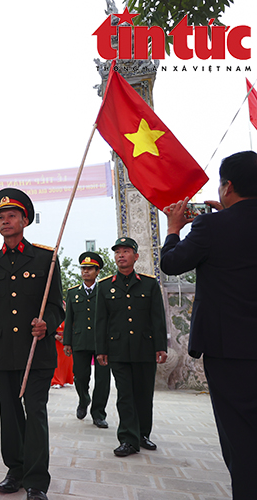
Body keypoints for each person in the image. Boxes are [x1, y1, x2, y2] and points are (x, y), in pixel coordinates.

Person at [160, 151, 257, 500]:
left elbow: (171, 263)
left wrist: (173, 228)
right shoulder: (216, 224)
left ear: (227, 186)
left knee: (241, 438)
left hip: (229, 347)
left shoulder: (210, 226)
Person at [0, 188, 64, 500]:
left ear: (25, 220)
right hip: (4, 351)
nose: (5, 221)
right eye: (0, 216)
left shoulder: (46, 258)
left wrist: (46, 323)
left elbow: (57, 305)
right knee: (9, 412)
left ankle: (36, 480)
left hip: (37, 352)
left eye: (11, 216)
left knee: (34, 411)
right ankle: (15, 468)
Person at [95, 237, 167, 458]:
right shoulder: (105, 286)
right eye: (117, 252)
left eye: (126, 251)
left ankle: (143, 434)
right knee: (125, 394)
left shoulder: (149, 283)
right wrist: (101, 350)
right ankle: (127, 438)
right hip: (118, 350)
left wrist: (160, 347)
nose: (121, 255)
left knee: (144, 394)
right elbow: (101, 321)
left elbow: (157, 318)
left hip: (144, 348)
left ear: (135, 256)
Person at [63, 252, 110, 429]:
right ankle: (84, 399)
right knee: (80, 377)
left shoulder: (104, 291)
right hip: (80, 341)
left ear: (97, 272)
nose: (85, 272)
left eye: (90, 269)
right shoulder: (73, 292)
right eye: (83, 269)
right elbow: (69, 319)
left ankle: (98, 413)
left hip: (102, 342)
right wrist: (67, 342)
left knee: (102, 379)